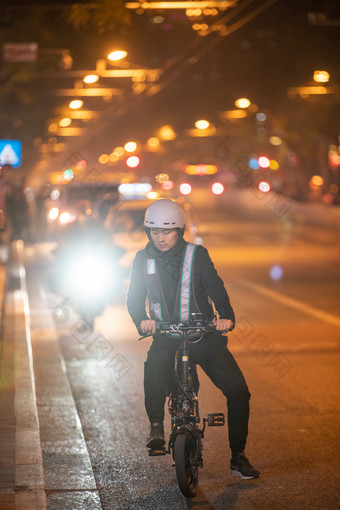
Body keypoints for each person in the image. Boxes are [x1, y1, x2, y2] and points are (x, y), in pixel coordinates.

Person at [126, 199, 259, 480]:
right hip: (166, 337)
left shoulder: (197, 254)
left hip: (203, 336)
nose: (160, 238)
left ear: (180, 230)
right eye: (154, 232)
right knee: (154, 370)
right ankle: (156, 428)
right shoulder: (142, 259)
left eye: (168, 231)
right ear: (148, 231)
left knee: (238, 391)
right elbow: (134, 298)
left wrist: (225, 316)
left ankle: (238, 457)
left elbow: (215, 287)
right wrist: (142, 321)